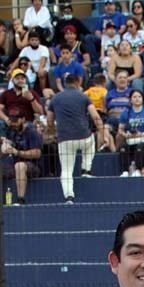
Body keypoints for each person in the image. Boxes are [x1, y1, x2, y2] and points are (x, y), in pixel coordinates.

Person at [46, 72, 103, 204]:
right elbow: (95, 116)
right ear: (78, 83)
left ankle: (69, 197)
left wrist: (53, 132)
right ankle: (86, 169)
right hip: (83, 135)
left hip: (65, 138)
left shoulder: (55, 98)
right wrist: (102, 133)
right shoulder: (83, 96)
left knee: (66, 170)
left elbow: (49, 120)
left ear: (65, 83)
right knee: (90, 142)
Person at [0, 107, 42, 205]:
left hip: (32, 166)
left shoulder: (31, 132)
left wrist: (17, 152)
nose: (13, 123)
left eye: (16, 121)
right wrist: (4, 148)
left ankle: (20, 199)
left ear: (23, 119)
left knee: (19, 166)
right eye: (11, 120)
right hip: (12, 164)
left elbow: (37, 153)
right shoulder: (10, 131)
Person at [118, 88, 144, 176]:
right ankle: (125, 171)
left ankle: (138, 169)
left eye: (139, 96)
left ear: (142, 99)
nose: (137, 98)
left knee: (140, 147)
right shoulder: (125, 113)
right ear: (130, 100)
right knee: (123, 148)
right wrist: (126, 135)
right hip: (130, 138)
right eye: (134, 97)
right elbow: (120, 129)